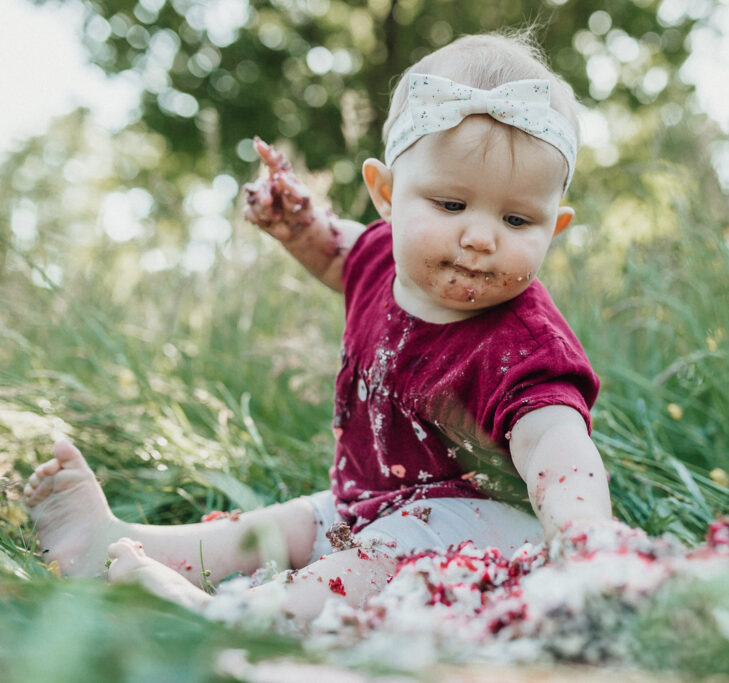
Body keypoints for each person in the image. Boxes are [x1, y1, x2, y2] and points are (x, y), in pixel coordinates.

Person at [23, 31, 615, 626]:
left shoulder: (525, 344)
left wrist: (582, 535)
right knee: (287, 524)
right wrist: (298, 225)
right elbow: (337, 255)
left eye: (516, 219)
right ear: (386, 194)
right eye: (451, 206)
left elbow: (553, 443)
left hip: (484, 523)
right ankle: (118, 545)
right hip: (370, 500)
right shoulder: (382, 259)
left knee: (377, 555)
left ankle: (246, 618)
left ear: (554, 227)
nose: (481, 237)